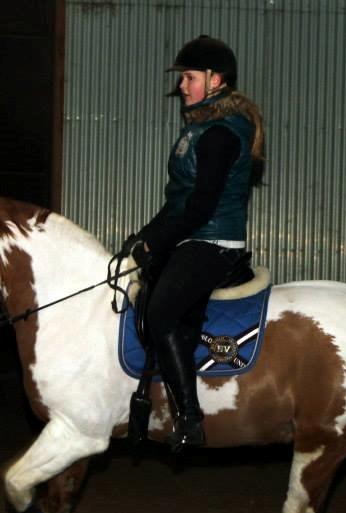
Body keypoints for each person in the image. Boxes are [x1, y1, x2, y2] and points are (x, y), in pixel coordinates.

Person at [121, 35, 265, 453]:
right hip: (193, 236)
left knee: (162, 311)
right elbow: (178, 200)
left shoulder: (222, 133)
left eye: (188, 77)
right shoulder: (200, 127)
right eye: (183, 78)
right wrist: (144, 237)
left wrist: (159, 243)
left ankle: (190, 419)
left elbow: (201, 206)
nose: (182, 86)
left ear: (215, 79)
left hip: (215, 241)